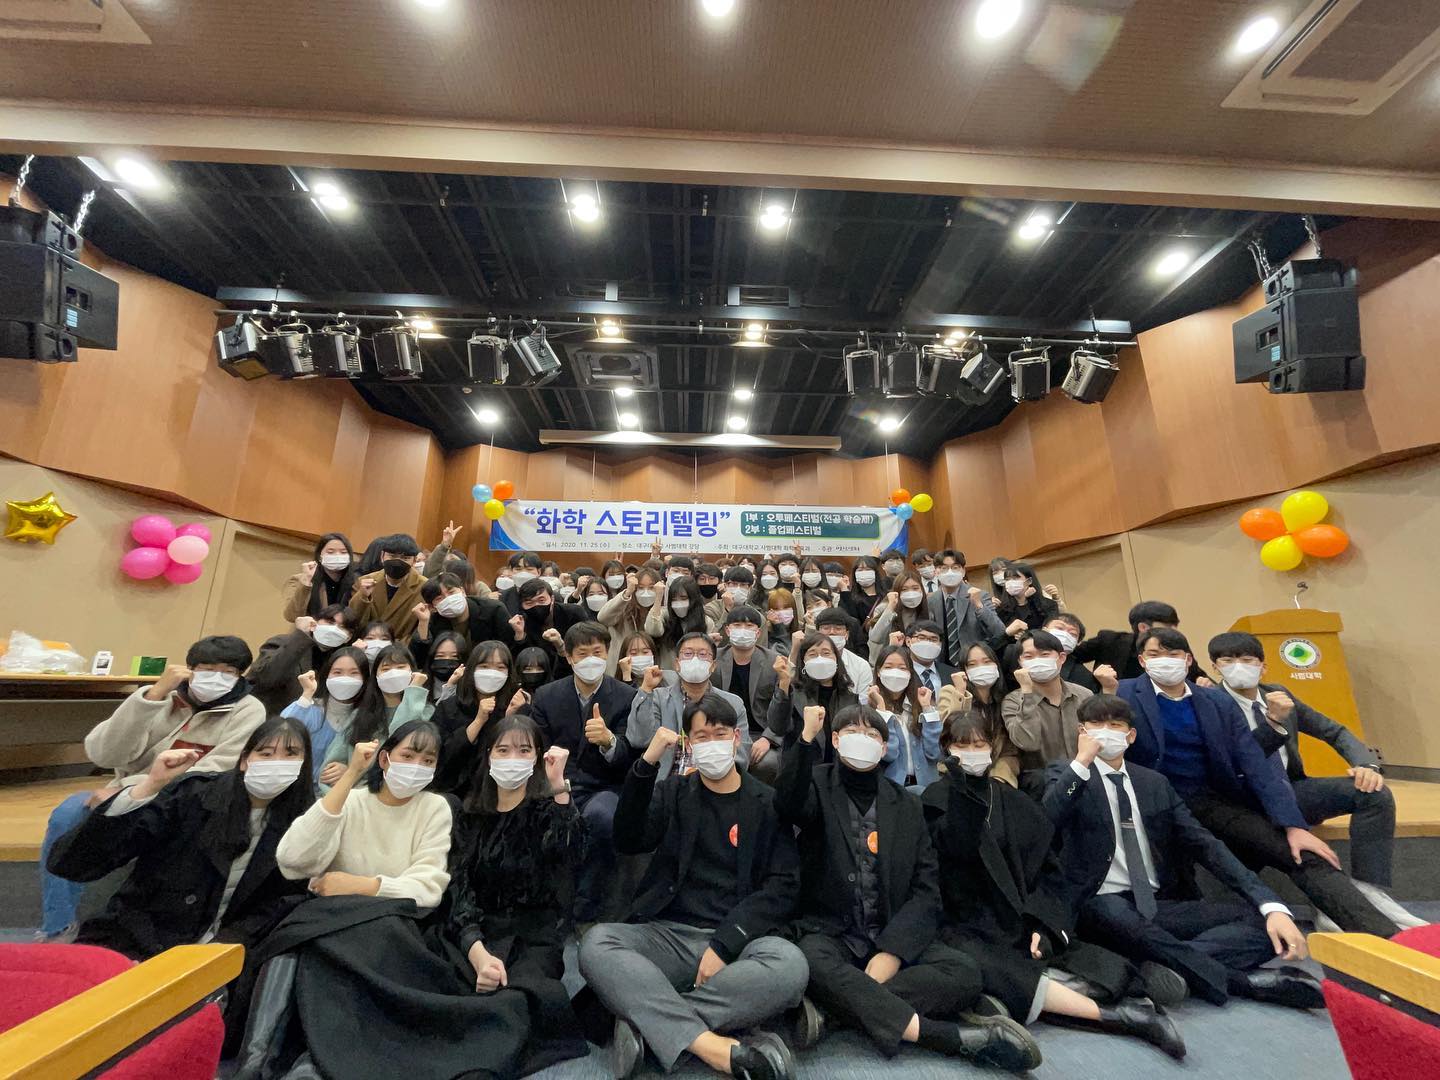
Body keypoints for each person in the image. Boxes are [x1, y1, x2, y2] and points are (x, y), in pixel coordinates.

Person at [773, 702, 1040, 1069]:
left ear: (885, 747)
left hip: (887, 930)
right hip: (832, 934)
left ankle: (835, 1009)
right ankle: (947, 1037)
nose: (862, 739)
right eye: (852, 732)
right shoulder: (815, 785)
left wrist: (893, 952)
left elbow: (926, 889)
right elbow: (787, 803)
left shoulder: (907, 805)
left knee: (963, 973)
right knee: (811, 963)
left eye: (872, 734)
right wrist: (805, 738)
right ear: (835, 740)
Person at [922, 712, 1186, 1058]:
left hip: (1021, 917)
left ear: (992, 747)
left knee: (1067, 955)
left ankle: (1127, 985)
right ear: (947, 749)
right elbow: (954, 849)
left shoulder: (1013, 800)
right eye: (962, 746)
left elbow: (1048, 871)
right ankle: (1122, 1015)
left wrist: (1042, 923)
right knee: (997, 968)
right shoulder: (932, 801)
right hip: (966, 924)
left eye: (979, 744)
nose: (972, 753)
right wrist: (961, 796)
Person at [1043, 694, 1325, 1010]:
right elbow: (1048, 820)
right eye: (1096, 724)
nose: (1105, 731)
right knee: (1115, 915)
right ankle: (1242, 983)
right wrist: (1081, 763)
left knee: (1262, 925)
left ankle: (1150, 969)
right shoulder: (1064, 773)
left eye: (1115, 725)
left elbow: (1205, 845)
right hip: (1098, 903)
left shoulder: (1154, 783)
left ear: (1130, 735)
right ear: (1082, 732)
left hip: (1155, 904)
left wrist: (1269, 904)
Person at [579, 696, 806, 1080]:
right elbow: (628, 839)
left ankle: (650, 1024)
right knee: (596, 944)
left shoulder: (767, 802)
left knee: (790, 965)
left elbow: (783, 885)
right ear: (688, 742)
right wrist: (646, 764)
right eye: (702, 736)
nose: (712, 743)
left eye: (720, 734)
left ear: (737, 738)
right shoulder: (674, 792)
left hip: (740, 944)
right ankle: (712, 1044)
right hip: (669, 935)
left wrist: (724, 944)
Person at [1120, 628, 1399, 938]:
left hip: (1209, 801)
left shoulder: (1214, 701)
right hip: (1149, 803)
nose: (1164, 661)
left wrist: (1293, 825)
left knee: (1301, 853)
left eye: (1173, 654)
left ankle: (1385, 940)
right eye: (1155, 655)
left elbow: (1254, 762)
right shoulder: (1123, 694)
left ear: (1188, 660)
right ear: (1142, 661)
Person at [38, 635, 265, 941]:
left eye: (228, 671)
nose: (217, 677)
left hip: (186, 801)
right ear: (189, 669)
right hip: (124, 791)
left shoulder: (248, 710)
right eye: (208, 669)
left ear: (240, 676)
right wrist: (152, 696)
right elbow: (104, 754)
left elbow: (218, 769)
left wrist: (136, 788)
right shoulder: (160, 698)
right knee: (67, 815)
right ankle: (58, 925)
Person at [47, 716, 315, 961]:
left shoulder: (306, 821)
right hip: (141, 939)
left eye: (291, 754)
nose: (277, 762)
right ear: (245, 760)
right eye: (266, 753)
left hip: (230, 954)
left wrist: (231, 942)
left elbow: (284, 900)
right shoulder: (192, 795)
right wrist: (148, 786)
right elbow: (76, 863)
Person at [438, 714, 591, 1076]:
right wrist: (477, 951)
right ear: (489, 755)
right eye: (503, 750)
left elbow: (571, 855)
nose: (513, 758)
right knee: (438, 988)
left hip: (531, 938)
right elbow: (457, 888)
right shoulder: (469, 813)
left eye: (524, 751)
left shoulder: (548, 808)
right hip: (476, 933)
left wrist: (559, 788)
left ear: (538, 757)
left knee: (520, 1001)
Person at [1208, 631, 1398, 894]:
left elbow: (1333, 731)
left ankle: (1370, 890)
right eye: (1228, 660)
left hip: (1292, 789)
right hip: (1243, 802)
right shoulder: (1209, 704)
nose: (1238, 666)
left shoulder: (1278, 694)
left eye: (1247, 660)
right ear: (1215, 667)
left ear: (1263, 667)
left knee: (1374, 793)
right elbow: (1237, 762)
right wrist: (1272, 722)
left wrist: (1368, 765)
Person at [277, 720, 452, 909]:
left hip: (392, 918)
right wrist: (352, 773)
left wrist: (362, 886)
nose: (417, 766)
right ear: (384, 759)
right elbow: (293, 859)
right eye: (407, 756)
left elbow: (428, 888)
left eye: (428, 761)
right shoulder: (350, 801)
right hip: (333, 913)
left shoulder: (434, 807)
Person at [529, 621, 636, 921]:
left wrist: (609, 742)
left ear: (608, 653)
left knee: (601, 819)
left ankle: (588, 908)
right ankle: (547, 905)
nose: (591, 660)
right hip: (555, 784)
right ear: (569, 657)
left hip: (603, 786)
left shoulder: (626, 696)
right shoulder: (546, 695)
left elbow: (629, 754)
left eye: (597, 652)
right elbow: (537, 746)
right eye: (583, 653)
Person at [627, 632, 752, 778]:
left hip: (715, 781)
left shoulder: (733, 703)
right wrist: (646, 690)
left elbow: (741, 756)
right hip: (667, 781)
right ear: (677, 664)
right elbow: (639, 739)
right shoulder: (658, 698)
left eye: (703, 654)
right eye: (688, 654)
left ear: (713, 666)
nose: (695, 659)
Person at [317, 643, 433, 790]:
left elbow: (398, 739)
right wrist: (347, 778)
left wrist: (414, 690)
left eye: (400, 667)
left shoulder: (425, 712)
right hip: (352, 797)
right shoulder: (360, 714)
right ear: (376, 676)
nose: (393, 673)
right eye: (386, 669)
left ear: (413, 672)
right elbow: (328, 772)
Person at [432, 640, 534, 799]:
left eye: (500, 667)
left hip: (502, 792)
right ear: (471, 669)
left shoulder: (516, 706)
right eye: (484, 667)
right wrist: (478, 721)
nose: (492, 673)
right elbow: (442, 756)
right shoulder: (448, 707)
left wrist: (510, 720)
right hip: (454, 792)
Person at [1003, 629, 1094, 797]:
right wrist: (1027, 693)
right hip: (1042, 787)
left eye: (1044, 654)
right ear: (1020, 662)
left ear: (1061, 658)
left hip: (1088, 781)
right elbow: (1028, 742)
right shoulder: (1013, 701)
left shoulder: (1085, 695)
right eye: (1029, 656)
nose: (1037, 661)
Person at [766, 631, 859, 766]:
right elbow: (777, 727)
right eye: (812, 654)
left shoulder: (850, 697)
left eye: (826, 653)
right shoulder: (793, 693)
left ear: (837, 660)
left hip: (840, 768)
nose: (820, 659)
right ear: (803, 662)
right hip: (801, 766)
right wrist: (784, 684)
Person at [938, 642, 1021, 787]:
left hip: (994, 780)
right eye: (972, 664)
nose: (981, 667)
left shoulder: (1005, 701)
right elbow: (949, 730)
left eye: (987, 662)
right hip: (957, 776)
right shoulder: (951, 693)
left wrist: (998, 779)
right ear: (964, 670)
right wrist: (961, 693)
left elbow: (1009, 753)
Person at [716, 606, 783, 784]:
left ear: (758, 632)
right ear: (728, 630)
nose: (743, 630)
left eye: (749, 626)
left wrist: (768, 738)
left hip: (759, 732)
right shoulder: (715, 659)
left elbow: (783, 707)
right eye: (737, 625)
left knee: (767, 763)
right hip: (722, 731)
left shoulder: (773, 661)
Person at [282, 645, 370, 780]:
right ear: (327, 675)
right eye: (337, 672)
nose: (344, 679)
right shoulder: (310, 707)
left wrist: (350, 770)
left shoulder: (368, 717)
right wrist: (307, 693)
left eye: (354, 673)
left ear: (365, 679)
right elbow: (282, 732)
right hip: (297, 786)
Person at [247, 604, 353, 716]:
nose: (334, 629)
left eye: (342, 627)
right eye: (330, 622)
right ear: (315, 622)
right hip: (265, 718)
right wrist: (301, 635)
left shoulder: (339, 662)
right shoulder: (284, 642)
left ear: (348, 637)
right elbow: (265, 678)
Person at [869, 644, 942, 790]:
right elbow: (889, 754)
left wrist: (927, 709)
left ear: (910, 673)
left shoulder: (920, 705)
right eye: (888, 667)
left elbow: (934, 753)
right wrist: (882, 711)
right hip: (892, 790)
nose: (896, 672)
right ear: (878, 672)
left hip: (927, 787)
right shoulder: (869, 710)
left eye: (902, 668)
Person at [1072, 600, 1194, 683]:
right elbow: (1069, 655)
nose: (1173, 632)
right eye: (1166, 627)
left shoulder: (1177, 647)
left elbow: (1196, 675)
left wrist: (1201, 679)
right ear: (1143, 627)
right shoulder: (1110, 641)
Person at [410, 572, 510, 668]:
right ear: (432, 607)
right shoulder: (431, 619)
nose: (448, 599)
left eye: (451, 592)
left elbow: (509, 646)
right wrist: (423, 623)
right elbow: (419, 661)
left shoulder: (494, 610)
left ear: (462, 591)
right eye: (439, 598)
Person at [926, 549, 1006, 667]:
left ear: (963, 571)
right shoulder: (932, 600)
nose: (950, 572)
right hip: (944, 665)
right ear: (936, 572)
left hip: (975, 662)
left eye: (955, 567)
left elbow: (999, 631)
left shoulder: (980, 595)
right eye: (944, 568)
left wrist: (979, 606)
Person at [347, 533, 427, 639]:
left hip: (401, 647)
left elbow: (421, 628)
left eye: (405, 558)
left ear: (414, 561)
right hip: (366, 644)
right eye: (392, 556)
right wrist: (363, 596)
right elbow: (352, 619)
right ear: (382, 556)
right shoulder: (364, 581)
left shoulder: (424, 587)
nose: (397, 562)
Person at [598, 566, 666, 674]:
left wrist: (658, 599)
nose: (646, 592)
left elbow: (654, 630)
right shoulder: (623, 608)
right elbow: (603, 618)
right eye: (641, 588)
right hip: (619, 671)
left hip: (652, 672)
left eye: (651, 588)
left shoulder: (663, 611)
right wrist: (627, 592)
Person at [282, 532, 359, 622]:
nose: (337, 556)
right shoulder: (297, 580)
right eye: (330, 552)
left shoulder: (357, 582)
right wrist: (306, 582)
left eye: (343, 552)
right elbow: (291, 616)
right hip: (312, 630)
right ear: (319, 556)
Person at [865, 569, 930, 662]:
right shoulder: (884, 608)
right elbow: (875, 638)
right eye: (904, 589)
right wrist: (891, 607)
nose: (911, 593)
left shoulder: (926, 609)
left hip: (917, 661)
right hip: (887, 661)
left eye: (915, 588)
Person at [648, 576, 711, 670]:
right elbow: (653, 631)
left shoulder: (706, 622)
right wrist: (658, 598)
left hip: (695, 673)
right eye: (674, 599)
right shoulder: (665, 615)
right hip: (668, 673)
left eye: (683, 598)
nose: (678, 603)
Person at [812, 607, 875, 697]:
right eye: (826, 628)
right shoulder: (808, 659)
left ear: (847, 634)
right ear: (817, 633)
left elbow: (863, 700)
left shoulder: (861, 665)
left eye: (838, 628)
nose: (832, 632)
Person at [994, 562, 1060, 635]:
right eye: (1007, 579)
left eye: (1015, 578)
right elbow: (1000, 635)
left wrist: (1032, 599)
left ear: (1029, 581)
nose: (1010, 582)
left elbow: (1050, 630)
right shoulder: (1002, 610)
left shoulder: (1049, 605)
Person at [904, 620, 957, 698]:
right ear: (908, 641)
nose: (928, 642)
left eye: (934, 639)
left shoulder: (952, 674)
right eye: (921, 638)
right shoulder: (902, 671)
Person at [422, 631, 467, 707]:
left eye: (454, 656)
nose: (447, 660)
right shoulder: (420, 685)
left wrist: (450, 686)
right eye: (440, 656)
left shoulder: (469, 689)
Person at [841, 555, 884, 624]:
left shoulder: (885, 596)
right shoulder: (850, 597)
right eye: (860, 570)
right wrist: (844, 591)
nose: (864, 572)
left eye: (868, 569)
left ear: (875, 573)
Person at [763, 587, 800, 654]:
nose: (781, 612)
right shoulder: (766, 634)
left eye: (786, 607)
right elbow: (786, 653)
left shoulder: (801, 632)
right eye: (776, 609)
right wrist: (778, 626)